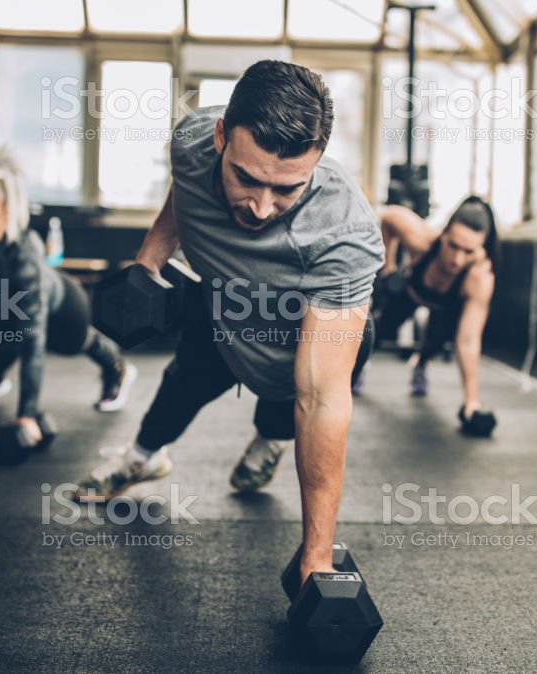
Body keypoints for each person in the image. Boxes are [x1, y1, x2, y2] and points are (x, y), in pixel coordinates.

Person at [70, 60, 384, 585]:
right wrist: (150, 258)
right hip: (224, 306)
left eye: (287, 189)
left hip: (298, 332)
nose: (261, 207)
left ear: (318, 161)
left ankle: (269, 440)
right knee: (184, 380)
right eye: (246, 178)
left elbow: (323, 399)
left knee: (296, 398)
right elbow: (187, 189)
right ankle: (143, 457)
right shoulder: (191, 138)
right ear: (220, 138)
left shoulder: (344, 236)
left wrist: (317, 559)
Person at [0, 147, 136, 442]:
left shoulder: (23, 258)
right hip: (7, 306)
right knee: (0, 323)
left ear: (7, 216)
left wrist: (27, 415)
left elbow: (32, 344)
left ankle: (117, 369)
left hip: (66, 308)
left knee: (74, 342)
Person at [364, 197, 496, 427]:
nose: (457, 259)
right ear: (443, 233)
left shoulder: (479, 278)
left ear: (481, 248)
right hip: (411, 292)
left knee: (433, 344)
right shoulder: (422, 240)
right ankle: (359, 368)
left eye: (468, 251)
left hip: (446, 308)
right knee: (378, 328)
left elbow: (468, 341)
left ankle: (420, 365)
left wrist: (471, 402)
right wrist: (388, 268)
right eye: (453, 245)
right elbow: (388, 217)